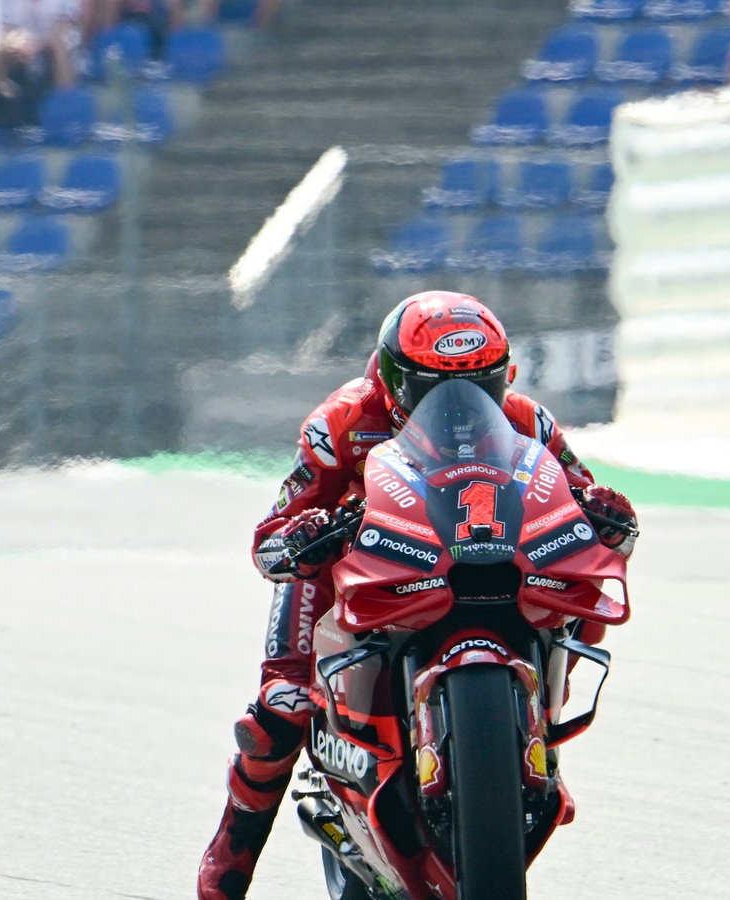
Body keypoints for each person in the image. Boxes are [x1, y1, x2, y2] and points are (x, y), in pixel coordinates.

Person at [195, 291, 639, 900]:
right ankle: (225, 867)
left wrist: (608, 517)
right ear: (390, 378)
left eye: (477, 388)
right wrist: (304, 536)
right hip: (357, 570)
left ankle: (530, 732)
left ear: (503, 377)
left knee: (577, 598)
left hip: (484, 558)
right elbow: (273, 535)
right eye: (432, 390)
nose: (456, 408)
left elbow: (583, 499)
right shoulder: (341, 424)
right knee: (282, 706)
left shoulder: (530, 422)